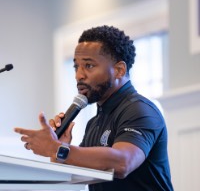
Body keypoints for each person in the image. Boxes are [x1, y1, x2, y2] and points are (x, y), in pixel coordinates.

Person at [14, 25, 174, 191]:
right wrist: (59, 150)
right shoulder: (94, 122)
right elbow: (76, 177)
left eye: (88, 66)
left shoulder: (140, 110)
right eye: (76, 67)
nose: (79, 75)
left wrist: (58, 149)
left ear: (119, 70)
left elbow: (122, 162)